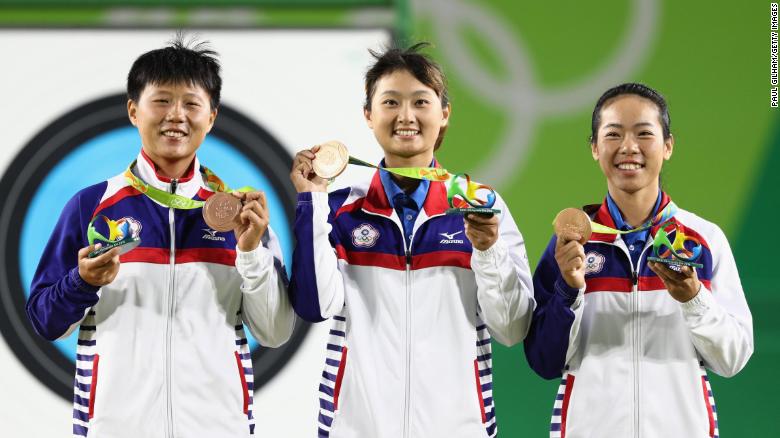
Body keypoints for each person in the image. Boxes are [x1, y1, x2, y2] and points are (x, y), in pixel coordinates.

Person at [26, 36, 294, 438]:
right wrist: (82, 282)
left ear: (212, 116)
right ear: (134, 110)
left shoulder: (242, 217)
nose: (176, 116)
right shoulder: (91, 207)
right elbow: (45, 322)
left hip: (219, 428)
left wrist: (251, 252)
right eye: (162, 101)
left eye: (191, 103)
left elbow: (274, 333)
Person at [289, 42, 535, 438]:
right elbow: (315, 306)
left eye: (420, 102)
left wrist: (489, 252)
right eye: (390, 102)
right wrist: (311, 201)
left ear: (444, 115)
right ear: (368, 115)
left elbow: (511, 328)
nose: (406, 116)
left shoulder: (481, 205)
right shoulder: (338, 207)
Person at [524, 83, 753, 438]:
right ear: (595, 148)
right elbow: (543, 360)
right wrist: (569, 292)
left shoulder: (703, 241)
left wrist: (694, 299)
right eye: (613, 134)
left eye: (644, 133)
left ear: (668, 146)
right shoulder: (571, 243)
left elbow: (733, 358)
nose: (628, 147)